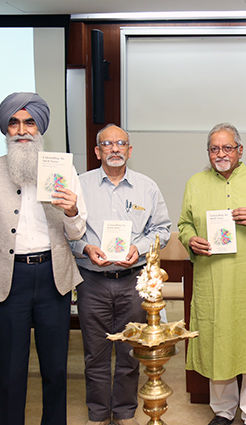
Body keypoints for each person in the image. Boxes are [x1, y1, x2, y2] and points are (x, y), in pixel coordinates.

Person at [0, 92, 87, 425]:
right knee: (10, 371)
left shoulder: (63, 170)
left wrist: (72, 210)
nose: (22, 130)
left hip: (53, 278)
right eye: (14, 123)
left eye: (29, 122)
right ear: (5, 129)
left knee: (56, 370)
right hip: (8, 282)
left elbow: (76, 232)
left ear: (40, 128)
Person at [178, 123, 246, 425]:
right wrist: (190, 239)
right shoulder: (195, 183)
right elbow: (184, 224)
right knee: (219, 341)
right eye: (214, 148)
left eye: (227, 148)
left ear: (240, 150)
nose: (221, 154)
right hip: (212, 279)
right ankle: (223, 411)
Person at [70, 124, 172, 425]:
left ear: (130, 149)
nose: (115, 149)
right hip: (92, 282)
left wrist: (138, 249)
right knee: (95, 354)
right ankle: (99, 413)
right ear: (97, 151)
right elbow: (65, 229)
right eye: (107, 144)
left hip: (133, 281)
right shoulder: (79, 185)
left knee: (130, 353)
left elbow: (162, 229)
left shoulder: (147, 187)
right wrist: (86, 247)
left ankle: (125, 413)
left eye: (121, 143)